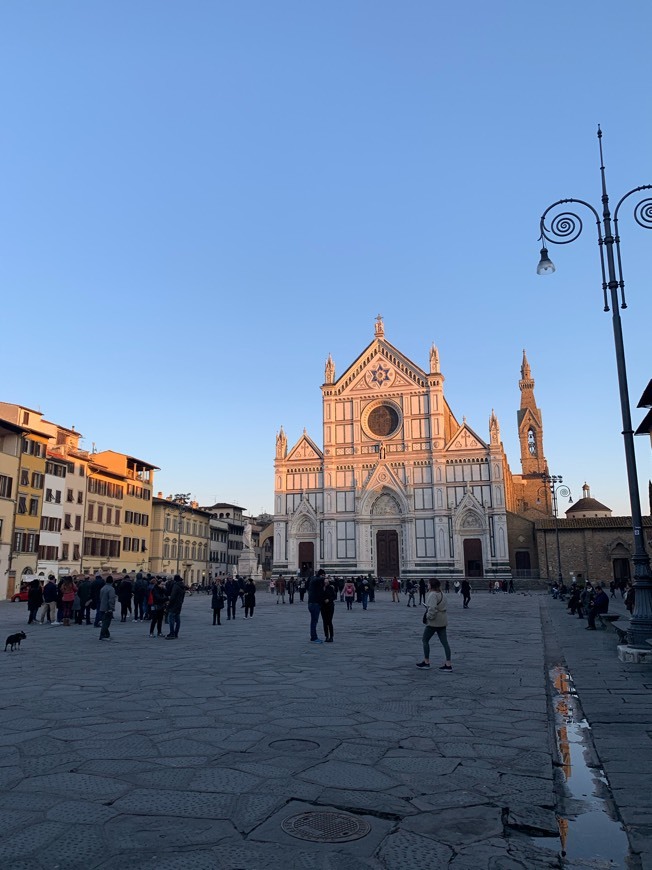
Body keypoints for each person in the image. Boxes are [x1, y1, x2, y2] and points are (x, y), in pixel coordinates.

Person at [416, 579, 452, 671]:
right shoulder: (442, 594)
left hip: (434, 622)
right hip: (442, 621)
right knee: (445, 643)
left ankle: (426, 662)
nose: (427, 585)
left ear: (431, 585)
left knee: (425, 640)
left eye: (428, 583)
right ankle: (448, 664)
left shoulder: (432, 595)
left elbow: (432, 609)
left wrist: (428, 617)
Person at [308, 569, 325, 643]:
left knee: (313, 621)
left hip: (311, 603)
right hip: (315, 604)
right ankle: (314, 637)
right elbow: (317, 579)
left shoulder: (312, 581)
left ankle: (313, 637)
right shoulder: (315, 580)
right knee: (314, 621)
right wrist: (323, 578)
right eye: (323, 575)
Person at [98, 576, 116, 641]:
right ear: (112, 581)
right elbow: (111, 599)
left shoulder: (102, 588)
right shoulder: (111, 589)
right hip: (108, 608)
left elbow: (100, 597)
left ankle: (107, 634)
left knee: (104, 621)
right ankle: (102, 635)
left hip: (102, 607)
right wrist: (111, 608)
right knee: (106, 622)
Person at [321, 576, 336, 642]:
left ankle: (331, 636)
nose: (325, 583)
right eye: (324, 582)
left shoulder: (330, 588)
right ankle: (326, 636)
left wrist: (329, 600)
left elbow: (334, 596)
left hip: (330, 606)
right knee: (324, 622)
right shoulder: (321, 589)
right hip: (323, 607)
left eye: (327, 582)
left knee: (329, 621)